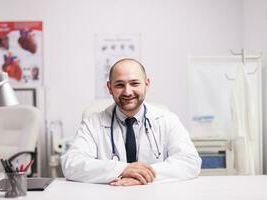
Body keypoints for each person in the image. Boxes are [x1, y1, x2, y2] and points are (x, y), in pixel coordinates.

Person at [61, 58, 201, 186]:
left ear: (147, 84)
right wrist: (122, 169)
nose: (127, 92)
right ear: (110, 88)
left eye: (134, 83)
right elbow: (71, 164)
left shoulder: (168, 120)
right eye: (119, 85)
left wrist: (141, 175)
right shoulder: (92, 123)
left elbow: (190, 162)